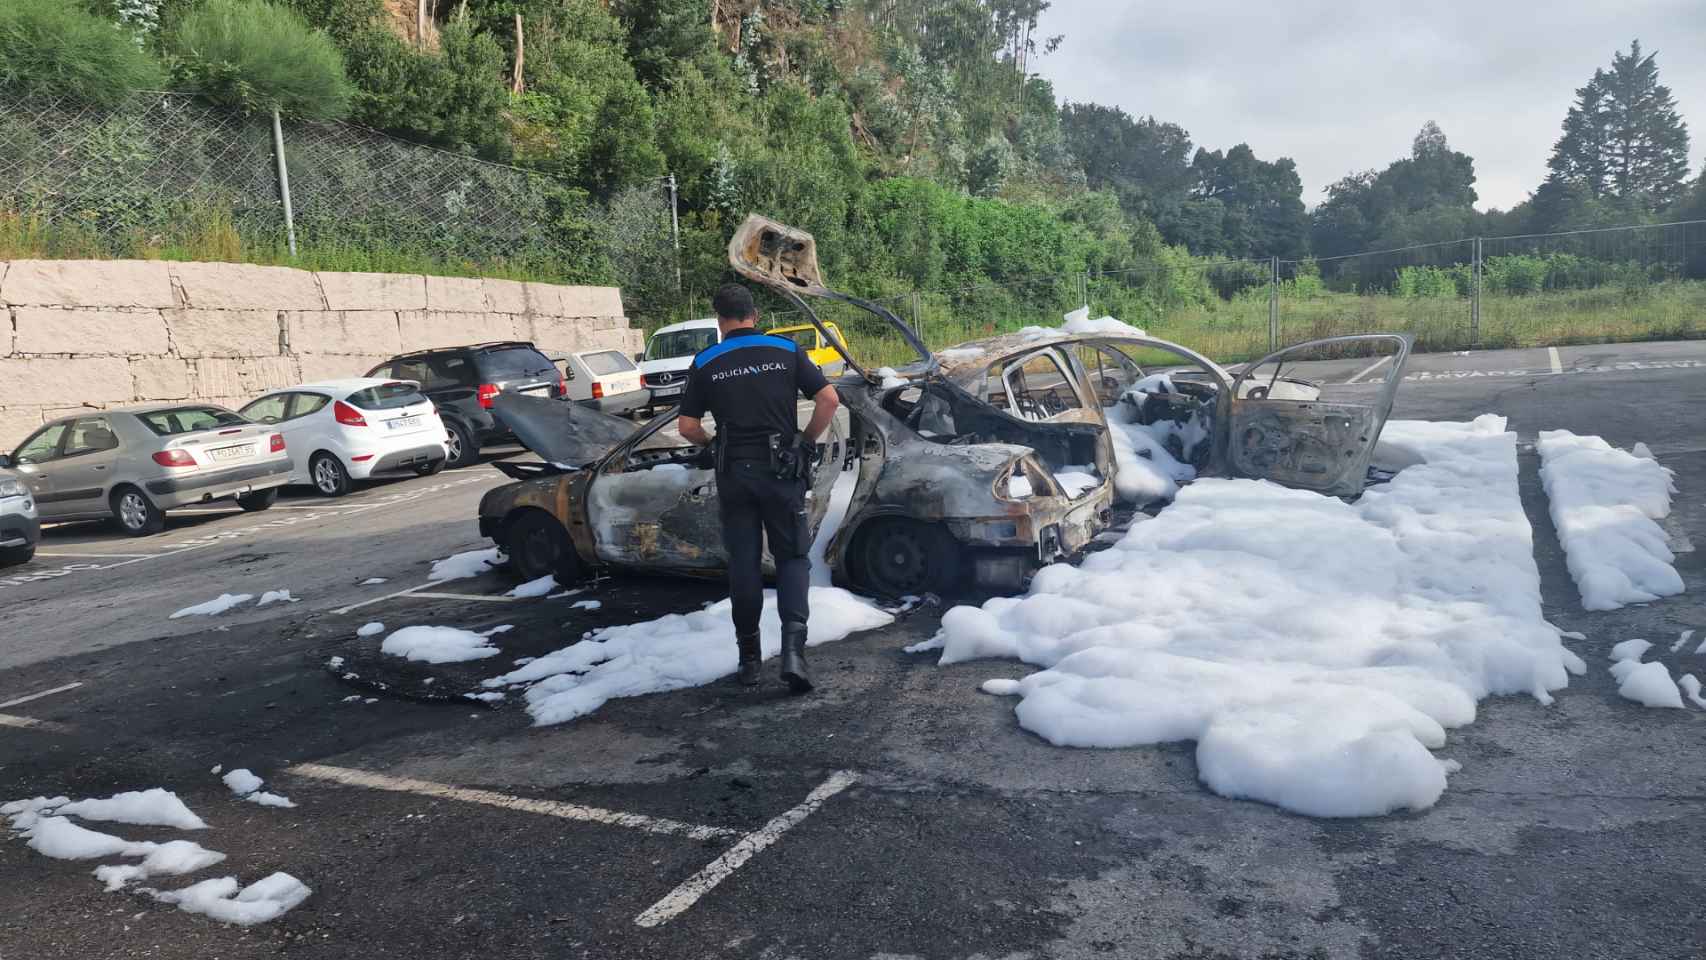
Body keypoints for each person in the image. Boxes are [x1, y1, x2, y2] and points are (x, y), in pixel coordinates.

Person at [677, 284, 840, 692]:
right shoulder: (784, 351)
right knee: (792, 559)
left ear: (720, 320)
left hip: (735, 473)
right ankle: (793, 655)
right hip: (782, 471)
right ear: (755, 315)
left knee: (744, 564)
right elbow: (829, 400)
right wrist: (804, 443)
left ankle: (749, 662)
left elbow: (687, 427)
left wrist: (714, 445)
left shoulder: (707, 360)